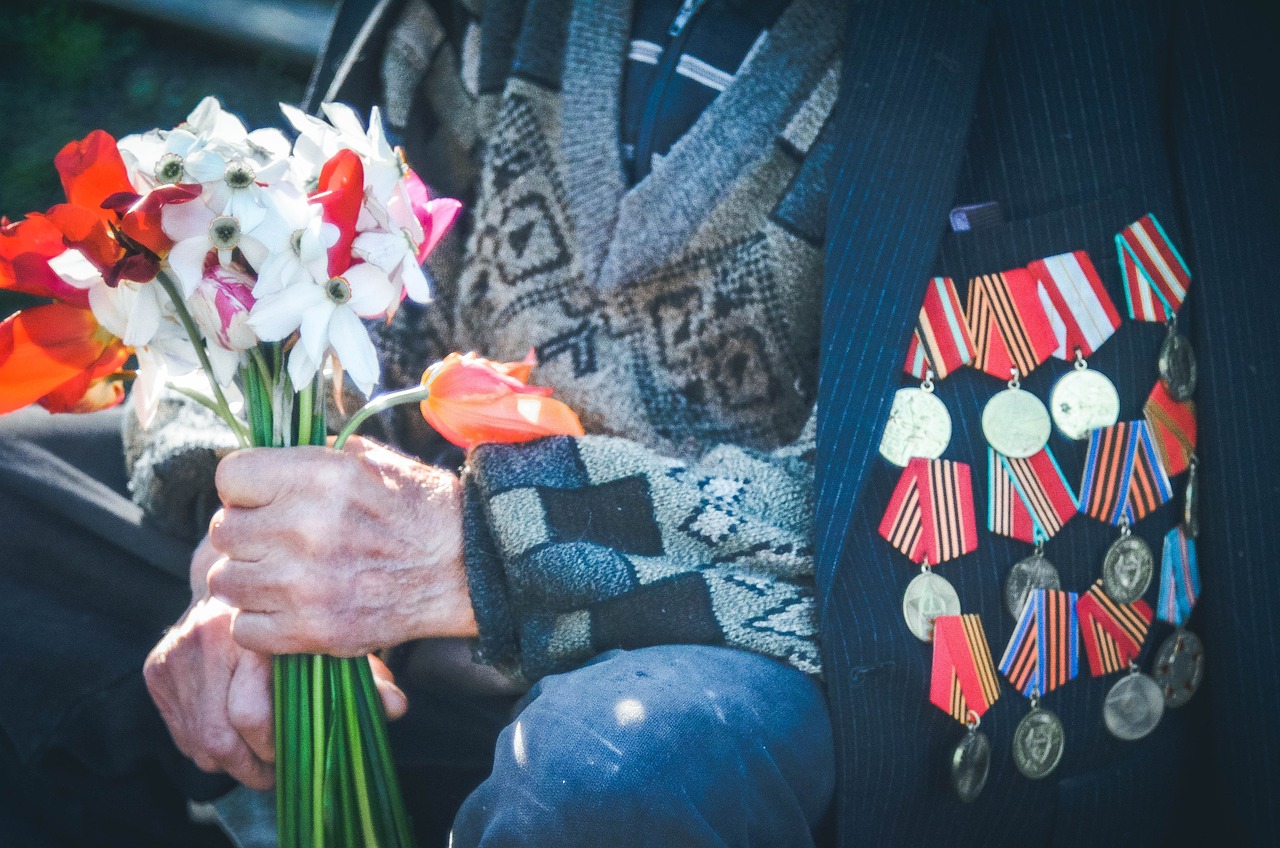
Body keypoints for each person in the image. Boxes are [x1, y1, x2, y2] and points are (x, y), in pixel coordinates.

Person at [1, 0, 1278, 846]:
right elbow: (313, 238)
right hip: (411, 635)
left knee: (613, 768)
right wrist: (256, 548)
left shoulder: (1086, 43)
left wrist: (477, 545)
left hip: (754, 695)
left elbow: (1031, 524)